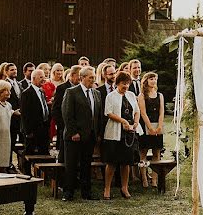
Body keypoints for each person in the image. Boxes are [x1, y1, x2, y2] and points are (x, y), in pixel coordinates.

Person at [61, 66, 101, 200]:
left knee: (86, 165)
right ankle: (68, 193)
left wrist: (97, 133)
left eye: (94, 77)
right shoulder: (72, 92)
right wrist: (73, 132)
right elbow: (67, 114)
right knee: (71, 165)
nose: (93, 80)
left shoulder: (96, 93)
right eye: (90, 77)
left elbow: (98, 115)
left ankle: (86, 193)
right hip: (74, 137)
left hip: (90, 136)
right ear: (82, 78)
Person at [101, 72, 141, 199]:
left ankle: (124, 187)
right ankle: (107, 188)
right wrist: (122, 121)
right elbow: (108, 113)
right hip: (114, 133)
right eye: (123, 83)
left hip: (129, 134)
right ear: (117, 83)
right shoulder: (111, 96)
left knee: (126, 162)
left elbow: (137, 111)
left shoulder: (131, 95)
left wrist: (135, 122)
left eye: (128, 83)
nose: (126, 86)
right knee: (112, 162)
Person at [137, 72, 165, 188]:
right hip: (146, 127)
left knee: (156, 152)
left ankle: (154, 179)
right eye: (151, 79)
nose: (154, 81)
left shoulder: (160, 95)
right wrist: (150, 128)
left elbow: (162, 111)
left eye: (155, 79)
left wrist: (159, 126)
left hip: (157, 126)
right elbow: (143, 113)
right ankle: (144, 178)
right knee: (143, 152)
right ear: (146, 81)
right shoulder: (142, 96)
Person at [51, 65, 81, 163]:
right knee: (64, 157)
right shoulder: (62, 88)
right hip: (65, 129)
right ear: (72, 75)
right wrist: (63, 126)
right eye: (80, 76)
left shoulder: (82, 89)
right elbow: (55, 110)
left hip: (79, 129)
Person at [21, 69, 51, 154]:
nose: (43, 79)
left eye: (44, 77)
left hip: (43, 129)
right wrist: (28, 132)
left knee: (44, 152)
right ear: (33, 78)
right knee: (29, 152)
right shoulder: (27, 93)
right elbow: (24, 114)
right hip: (33, 131)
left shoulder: (42, 91)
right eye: (41, 77)